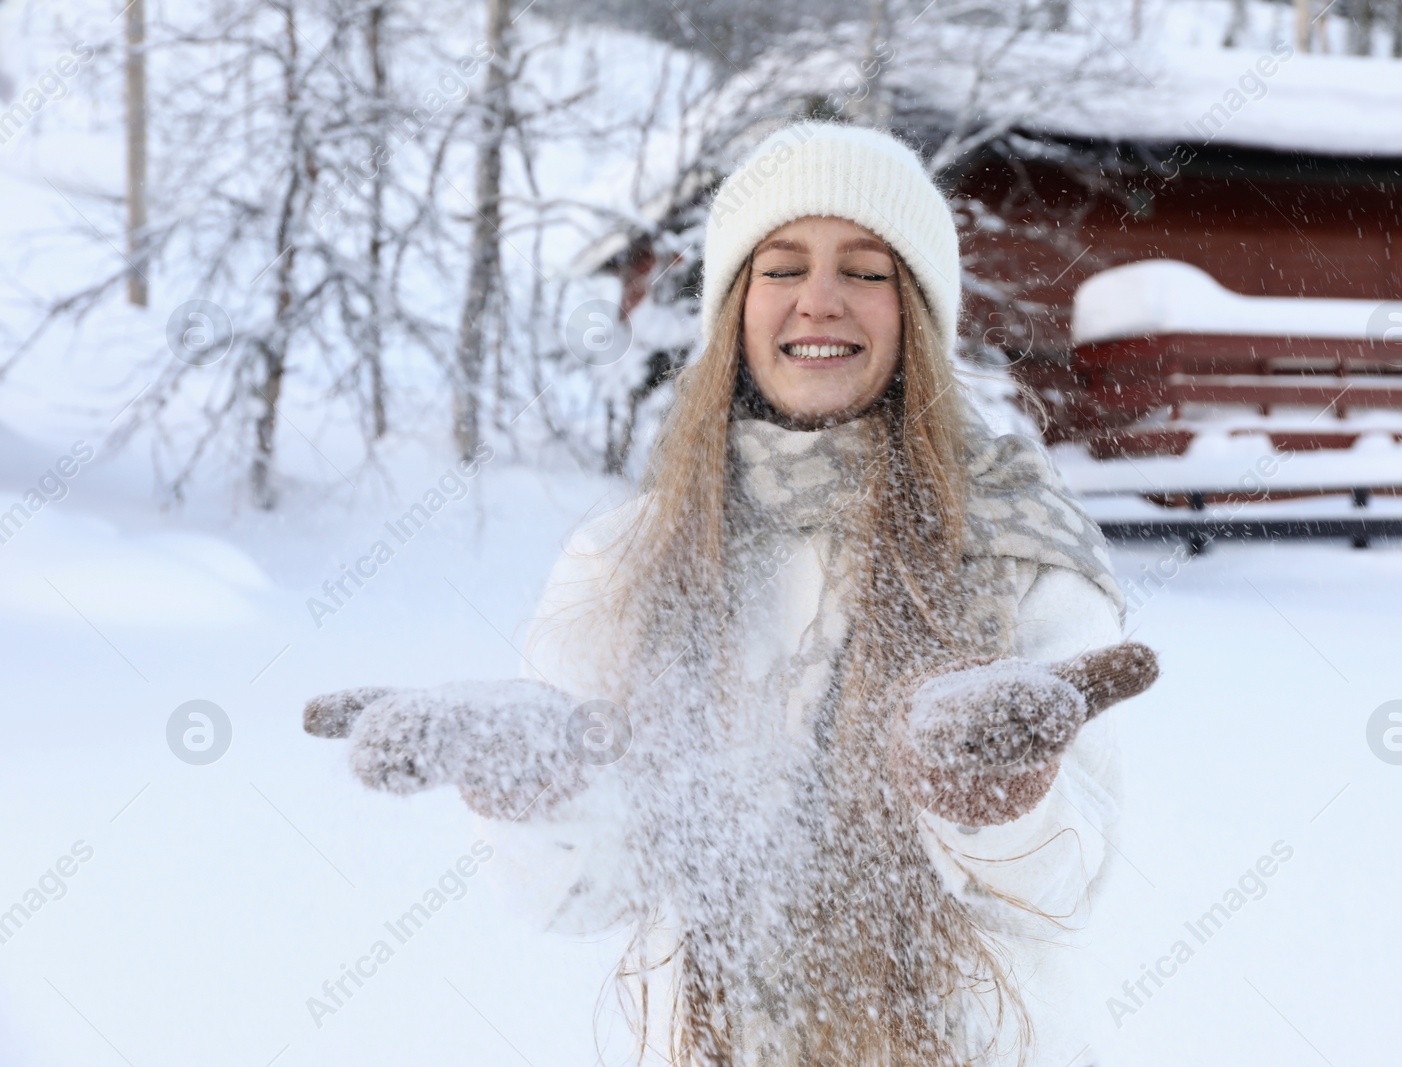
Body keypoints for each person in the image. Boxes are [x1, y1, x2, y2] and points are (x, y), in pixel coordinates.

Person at [304, 120, 1159, 1066]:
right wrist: (544, 791)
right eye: (781, 266)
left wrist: (998, 798)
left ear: (918, 310)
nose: (820, 301)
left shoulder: (1015, 543)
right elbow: (586, 894)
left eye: (867, 270)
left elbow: (1065, 888)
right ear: (735, 307)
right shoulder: (629, 559)